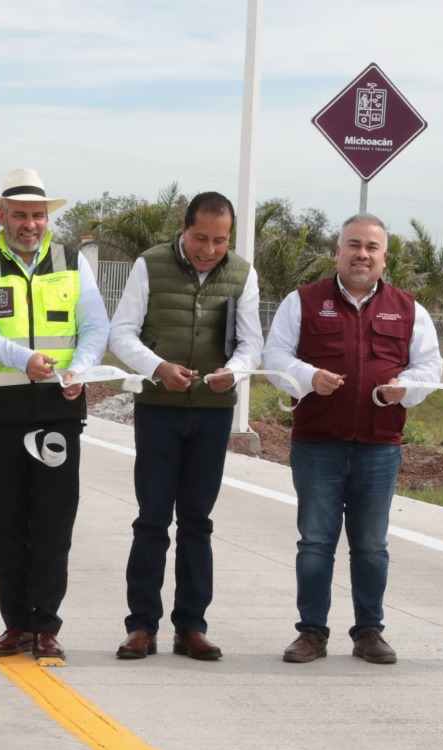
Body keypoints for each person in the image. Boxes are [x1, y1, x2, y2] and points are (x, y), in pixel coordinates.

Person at [262, 213, 442, 666]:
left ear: (384, 257)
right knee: (316, 542)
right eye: (353, 245)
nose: (362, 254)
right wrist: (306, 377)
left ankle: (369, 632)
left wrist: (407, 387)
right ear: (337, 251)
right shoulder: (302, 302)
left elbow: (429, 367)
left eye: (372, 248)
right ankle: (311, 633)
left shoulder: (408, 309)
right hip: (317, 444)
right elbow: (275, 356)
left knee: (371, 545)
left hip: (379, 447)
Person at [108, 191, 264, 662]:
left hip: (213, 414)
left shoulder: (242, 273)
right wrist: (158, 368)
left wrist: (232, 373)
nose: (209, 250)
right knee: (152, 519)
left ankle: (191, 627)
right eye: (201, 238)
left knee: (198, 522)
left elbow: (252, 344)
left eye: (220, 241)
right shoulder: (149, 264)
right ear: (184, 227)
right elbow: (121, 333)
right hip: (159, 408)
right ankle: (141, 627)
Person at [0, 168, 110, 666]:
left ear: (49, 218)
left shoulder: (73, 265)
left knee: (52, 520)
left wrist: (80, 368)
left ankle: (46, 626)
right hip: (2, 412)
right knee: (6, 523)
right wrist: (20, 357)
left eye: (38, 215)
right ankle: (16, 624)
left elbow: (94, 327)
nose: (30, 224)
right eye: (20, 215)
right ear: (1, 218)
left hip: (57, 411)